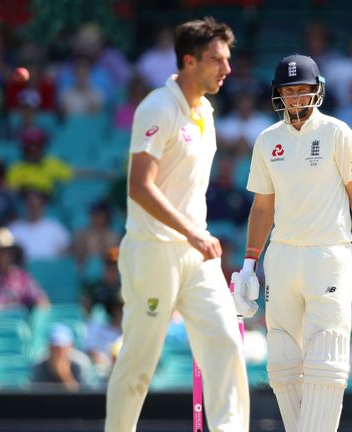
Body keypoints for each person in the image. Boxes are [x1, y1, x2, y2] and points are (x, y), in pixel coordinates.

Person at [231, 54, 352, 432]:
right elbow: (262, 207)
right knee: (283, 363)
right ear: (278, 95)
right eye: (289, 91)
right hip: (283, 256)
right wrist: (248, 266)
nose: (296, 99)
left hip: (329, 254)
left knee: (326, 360)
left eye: (303, 90)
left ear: (317, 91)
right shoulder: (267, 140)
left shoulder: (338, 133)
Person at [104, 18, 249, 432]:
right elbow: (139, 186)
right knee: (138, 365)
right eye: (216, 60)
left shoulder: (205, 109)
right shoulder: (157, 107)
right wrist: (192, 232)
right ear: (188, 61)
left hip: (196, 255)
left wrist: (194, 236)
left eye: (228, 59)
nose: (227, 69)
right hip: (154, 252)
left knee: (226, 343)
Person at [32, 324, 94, 391]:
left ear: (70, 345)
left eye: (63, 346)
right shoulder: (39, 364)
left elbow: (83, 395)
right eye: (55, 347)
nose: (59, 351)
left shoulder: (81, 363)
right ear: (49, 347)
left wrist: (65, 375)